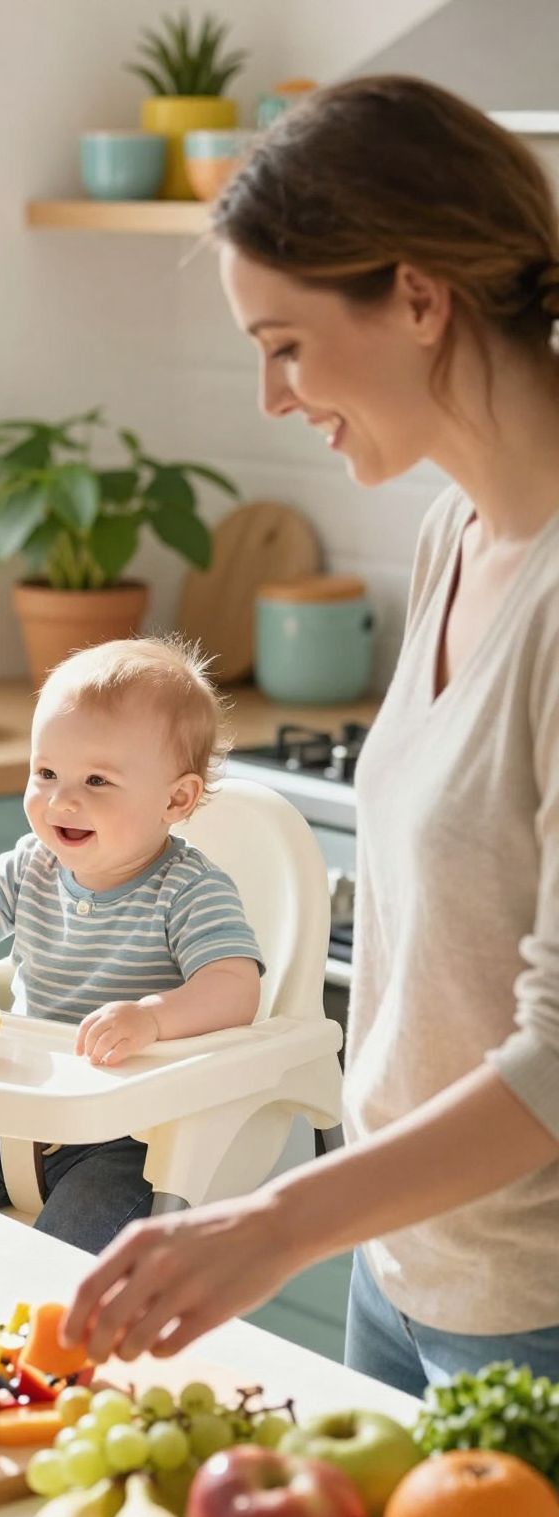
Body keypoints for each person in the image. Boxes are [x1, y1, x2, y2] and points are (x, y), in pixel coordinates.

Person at [63, 76, 559, 1395]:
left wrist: (272, 1224)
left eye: (284, 341)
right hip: (398, 1269)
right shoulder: (456, 530)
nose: (273, 396)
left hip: (535, 1312)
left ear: (416, 293)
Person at [0, 638, 263, 1251]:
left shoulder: (189, 888)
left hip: (126, 1140)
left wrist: (152, 1018)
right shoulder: (35, 864)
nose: (62, 798)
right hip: (6, 1122)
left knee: (55, 1261)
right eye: (46, 772)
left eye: (97, 780)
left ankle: (37, 1343)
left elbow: (235, 988)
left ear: (176, 799)